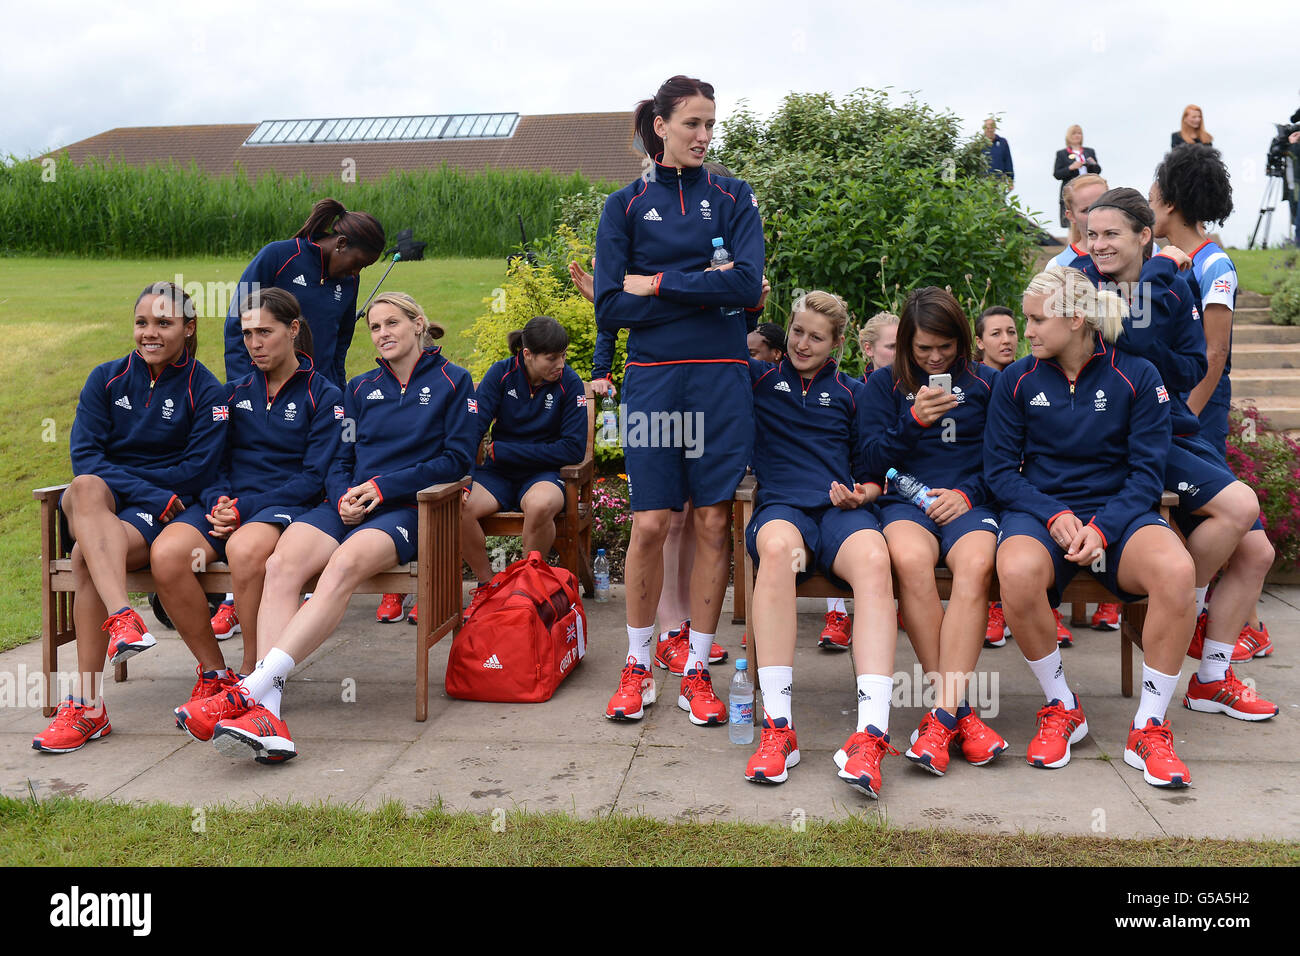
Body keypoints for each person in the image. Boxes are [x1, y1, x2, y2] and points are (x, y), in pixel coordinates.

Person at [176, 292, 479, 761]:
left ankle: (250, 687)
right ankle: (267, 714)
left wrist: (382, 487)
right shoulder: (359, 388)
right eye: (375, 327)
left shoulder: (454, 382)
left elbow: (455, 461)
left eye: (393, 323)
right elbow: (340, 458)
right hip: (346, 504)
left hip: (409, 507)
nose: (384, 334)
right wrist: (343, 495)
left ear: (418, 324)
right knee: (280, 566)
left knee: (341, 566)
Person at [987, 265, 1199, 787]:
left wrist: (1102, 528)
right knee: (1013, 571)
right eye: (1024, 321)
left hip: (1118, 516)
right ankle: (1062, 707)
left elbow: (1148, 474)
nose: (1026, 331)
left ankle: (1149, 726)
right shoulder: (1015, 380)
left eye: (1036, 320)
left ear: (1077, 318)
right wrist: (1055, 514)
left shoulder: (1137, 375)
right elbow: (997, 473)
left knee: (1176, 570)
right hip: (1041, 514)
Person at [596, 75, 764, 725]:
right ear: (661, 126)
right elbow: (610, 302)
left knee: (713, 522)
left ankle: (696, 669)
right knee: (650, 523)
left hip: (722, 376)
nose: (703, 136)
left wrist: (657, 281)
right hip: (656, 377)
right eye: (692, 123)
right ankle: (637, 664)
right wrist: (706, 286)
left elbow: (749, 289)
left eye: (711, 125)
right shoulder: (626, 206)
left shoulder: (734, 196)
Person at [1081, 190, 1278, 724]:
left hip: (1169, 426)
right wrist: (1148, 288)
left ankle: (1211, 676)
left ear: (1145, 235)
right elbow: (1116, 341)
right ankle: (1177, 605)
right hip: (1111, 439)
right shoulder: (1079, 281)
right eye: (1092, 234)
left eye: (1111, 234)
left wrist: (1148, 344)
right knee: (1238, 509)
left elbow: (1188, 365)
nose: (1097, 245)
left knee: (1258, 553)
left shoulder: (1176, 284)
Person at [33, 283, 226, 753]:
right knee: (82, 488)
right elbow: (85, 457)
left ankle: (88, 708)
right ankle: (124, 617)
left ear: (188, 327)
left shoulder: (208, 390)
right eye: (143, 322)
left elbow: (197, 468)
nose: (150, 333)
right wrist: (147, 488)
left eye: (164, 323)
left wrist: (149, 491)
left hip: (172, 510)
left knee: (83, 556)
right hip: (120, 504)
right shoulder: (106, 378)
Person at [743, 291, 900, 795]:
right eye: (797, 331)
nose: (802, 343)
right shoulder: (760, 378)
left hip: (839, 512)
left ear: (836, 345)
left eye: (816, 336)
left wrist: (862, 493)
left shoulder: (854, 393)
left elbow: (876, 471)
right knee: (775, 552)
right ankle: (777, 729)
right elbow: (718, 343)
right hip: (783, 510)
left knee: (876, 559)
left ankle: (870, 735)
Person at [150, 288, 342, 693]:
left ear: (293, 330)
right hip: (224, 505)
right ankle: (215, 673)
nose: (254, 344)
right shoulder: (230, 395)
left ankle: (254, 672)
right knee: (167, 555)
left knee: (244, 549)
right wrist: (220, 499)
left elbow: (312, 477)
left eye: (265, 332)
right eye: (247, 334)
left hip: (282, 506)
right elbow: (213, 461)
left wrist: (244, 508)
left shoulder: (324, 396)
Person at [216, 198, 386, 626]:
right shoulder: (279, 256)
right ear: (340, 242)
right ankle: (234, 600)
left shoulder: (345, 285)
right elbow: (240, 320)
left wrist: (337, 393)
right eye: (357, 262)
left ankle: (290, 585)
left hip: (317, 398)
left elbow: (341, 341)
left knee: (318, 477)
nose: (357, 274)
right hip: (262, 390)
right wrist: (250, 386)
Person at [858, 287, 1008, 776]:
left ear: (962, 341)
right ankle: (961, 714)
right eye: (923, 348)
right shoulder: (884, 386)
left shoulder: (988, 383)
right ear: (906, 343)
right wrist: (912, 421)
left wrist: (967, 493)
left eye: (945, 346)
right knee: (910, 561)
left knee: (978, 564)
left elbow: (1004, 462)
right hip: (908, 501)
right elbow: (868, 463)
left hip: (968, 503)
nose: (935, 356)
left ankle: (941, 716)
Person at [1150, 148, 1282, 666]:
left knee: (1250, 542)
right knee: (1247, 544)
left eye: (1156, 195)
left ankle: (1197, 616)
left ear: (1175, 203)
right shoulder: (1168, 264)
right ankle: (1200, 622)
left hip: (1194, 416)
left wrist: (1185, 423)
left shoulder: (1213, 262)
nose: (1150, 204)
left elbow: (1214, 353)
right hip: (1178, 417)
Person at [461, 316, 587, 585]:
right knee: (456, 506)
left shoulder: (570, 382)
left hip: (544, 474)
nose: (561, 364)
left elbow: (574, 449)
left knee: (541, 505)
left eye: (563, 355)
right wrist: (463, 476)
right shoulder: (501, 374)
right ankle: (488, 585)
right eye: (552, 358)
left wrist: (508, 451)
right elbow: (472, 430)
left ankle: (528, 587)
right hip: (498, 475)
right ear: (527, 354)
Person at [1050, 173, 1108, 269]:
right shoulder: (1059, 265)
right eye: (1086, 210)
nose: (1096, 214)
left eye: (1103, 206)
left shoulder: (1134, 255)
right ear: (1071, 216)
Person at [1053, 126, 1102, 228]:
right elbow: (1057, 174)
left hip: (1089, 188)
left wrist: (1093, 165)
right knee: (1072, 220)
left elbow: (1098, 171)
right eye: (1074, 133)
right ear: (1069, 136)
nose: (1077, 136)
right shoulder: (1062, 154)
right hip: (1072, 189)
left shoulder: (1089, 151)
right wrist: (1070, 168)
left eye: (1079, 133)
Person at [981, 117, 1014, 188]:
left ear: (995, 128)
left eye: (991, 128)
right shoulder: (978, 145)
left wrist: (1010, 181)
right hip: (983, 183)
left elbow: (1008, 162)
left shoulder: (1003, 142)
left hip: (999, 182)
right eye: (987, 128)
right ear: (984, 129)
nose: (989, 130)